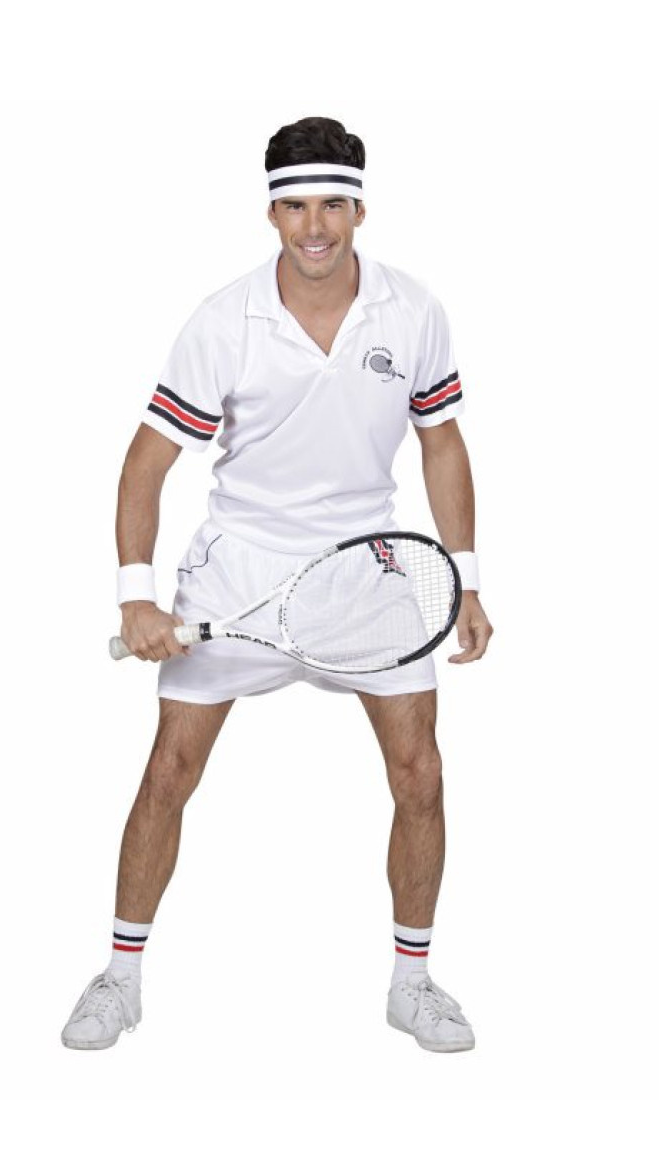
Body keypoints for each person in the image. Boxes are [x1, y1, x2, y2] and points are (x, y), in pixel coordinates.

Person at [61, 116, 493, 1053]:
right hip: (241, 570)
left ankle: (412, 985)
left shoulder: (414, 310)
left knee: (421, 773)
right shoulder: (224, 320)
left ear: (360, 210)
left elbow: (442, 441)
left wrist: (464, 581)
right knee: (168, 772)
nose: (315, 226)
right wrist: (136, 595)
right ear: (271, 214)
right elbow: (146, 462)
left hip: (369, 575)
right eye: (296, 207)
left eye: (333, 204)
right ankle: (119, 979)